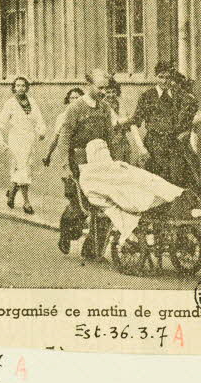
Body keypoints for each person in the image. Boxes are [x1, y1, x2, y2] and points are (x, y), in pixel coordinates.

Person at [78, 138, 186, 249]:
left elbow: (135, 174)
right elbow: (98, 193)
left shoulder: (115, 165)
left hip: (130, 183)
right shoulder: (88, 174)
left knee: (149, 180)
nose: (104, 153)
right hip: (123, 193)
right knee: (143, 190)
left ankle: (175, 193)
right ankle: (170, 195)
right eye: (100, 151)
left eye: (105, 150)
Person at [56, 70, 114, 255]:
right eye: (100, 87)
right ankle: (66, 233)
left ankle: (91, 249)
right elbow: (64, 138)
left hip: (100, 161)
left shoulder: (105, 108)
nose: (104, 91)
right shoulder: (75, 108)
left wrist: (114, 161)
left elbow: (109, 136)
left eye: (106, 88)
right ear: (89, 85)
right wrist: (65, 167)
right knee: (79, 207)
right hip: (77, 162)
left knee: (105, 205)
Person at [0, 77, 46, 214]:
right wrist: (1, 140)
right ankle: (26, 202)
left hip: (29, 140)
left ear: (27, 87)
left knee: (26, 168)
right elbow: (0, 123)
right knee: (22, 168)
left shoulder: (32, 102)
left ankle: (12, 191)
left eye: (23, 86)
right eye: (17, 86)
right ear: (14, 88)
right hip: (16, 139)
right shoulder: (10, 103)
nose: (20, 88)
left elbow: (39, 120)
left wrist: (41, 131)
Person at [43, 87, 83, 167]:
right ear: (68, 100)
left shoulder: (86, 115)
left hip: (83, 150)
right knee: (70, 174)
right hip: (67, 151)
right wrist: (48, 155)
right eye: (72, 98)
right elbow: (56, 138)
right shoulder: (62, 117)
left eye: (77, 98)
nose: (74, 100)